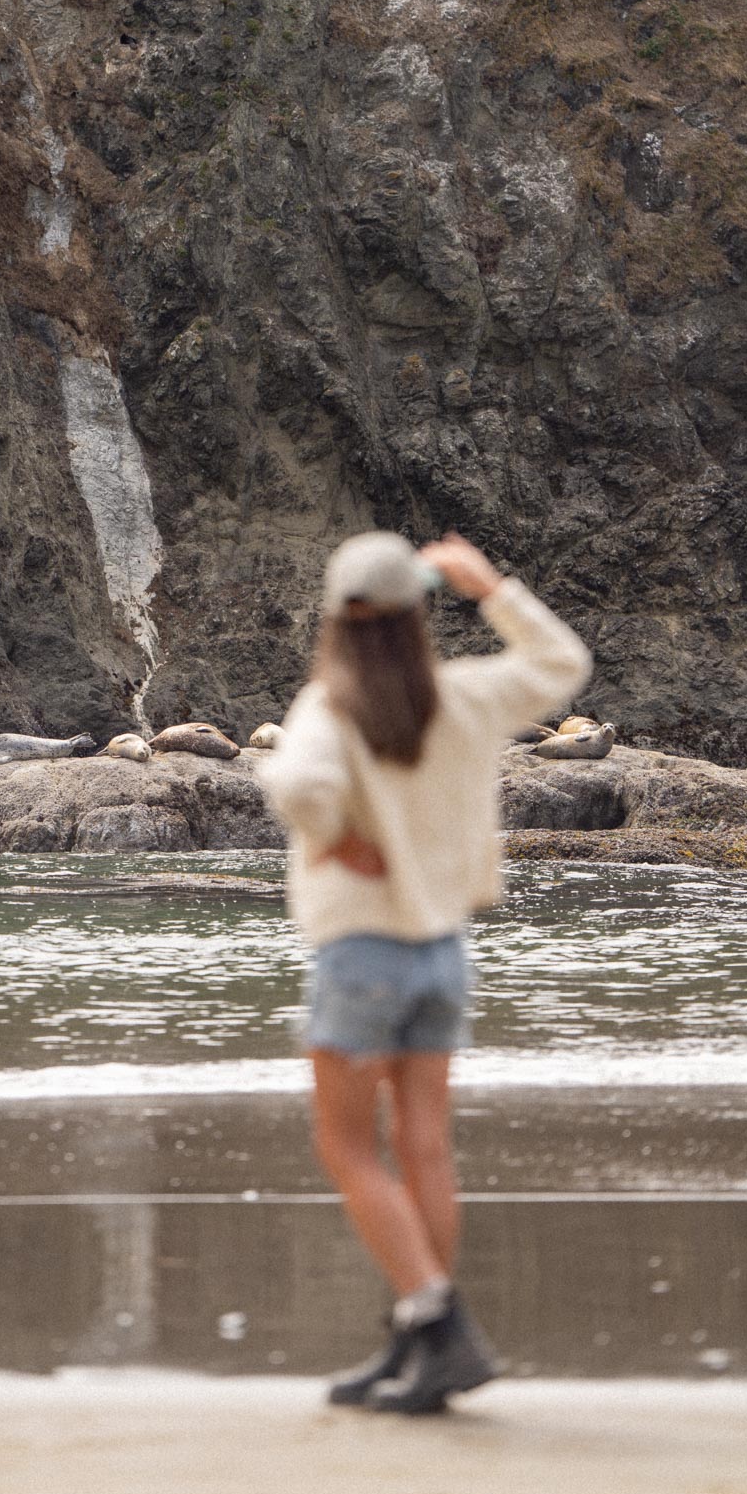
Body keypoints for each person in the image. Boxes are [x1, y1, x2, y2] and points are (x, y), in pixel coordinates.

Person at [259, 530, 592, 1413]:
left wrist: (340, 838)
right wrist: (490, 587)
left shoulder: (329, 707)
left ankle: (438, 1323)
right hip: (443, 953)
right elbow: (563, 662)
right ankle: (416, 1342)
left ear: (335, 617)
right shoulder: (465, 697)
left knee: (345, 1147)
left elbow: (297, 788)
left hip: (362, 953)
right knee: (423, 1147)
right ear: (416, 614)